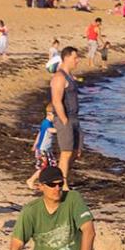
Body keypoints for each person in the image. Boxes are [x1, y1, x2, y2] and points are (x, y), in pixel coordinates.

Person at [6, 166, 96, 250]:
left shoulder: (73, 198)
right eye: (51, 185)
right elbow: (16, 246)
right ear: (41, 187)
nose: (57, 188)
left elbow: (89, 231)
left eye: (60, 183)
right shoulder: (31, 211)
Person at [50, 47, 82, 189]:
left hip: (75, 118)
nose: (77, 60)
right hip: (66, 118)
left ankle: (56, 175)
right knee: (66, 152)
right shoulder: (59, 77)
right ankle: (62, 183)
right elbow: (56, 100)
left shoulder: (70, 76)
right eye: (75, 58)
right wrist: (64, 120)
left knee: (76, 152)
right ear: (66, 58)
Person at [27, 104, 57, 189]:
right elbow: (50, 130)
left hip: (46, 148)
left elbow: (40, 134)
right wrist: (62, 129)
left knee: (50, 166)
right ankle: (31, 180)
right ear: (50, 114)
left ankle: (44, 182)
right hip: (43, 149)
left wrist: (35, 144)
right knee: (44, 167)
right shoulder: (46, 123)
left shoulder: (48, 123)